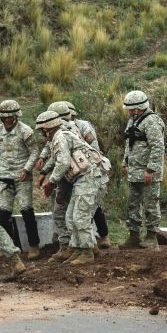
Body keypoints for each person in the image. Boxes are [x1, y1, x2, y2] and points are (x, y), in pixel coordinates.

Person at [36, 110, 102, 265]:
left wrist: (51, 182)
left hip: (87, 178)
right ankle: (78, 250)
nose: (42, 134)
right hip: (81, 180)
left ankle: (87, 252)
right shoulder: (60, 136)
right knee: (70, 216)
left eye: (42, 130)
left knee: (80, 216)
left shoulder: (60, 137)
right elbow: (58, 160)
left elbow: (63, 163)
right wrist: (45, 172)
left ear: (47, 129)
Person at [0, 100, 41, 260]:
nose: (7, 120)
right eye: (4, 117)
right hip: (4, 177)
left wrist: (27, 169)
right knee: (3, 213)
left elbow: (34, 152)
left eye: (10, 117)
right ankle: (8, 247)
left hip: (22, 177)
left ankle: (34, 246)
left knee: (26, 210)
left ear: (16, 116)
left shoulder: (26, 131)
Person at [121, 90, 165, 250]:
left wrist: (151, 169)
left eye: (131, 109)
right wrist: (125, 162)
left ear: (138, 108)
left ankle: (151, 237)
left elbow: (158, 146)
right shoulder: (133, 121)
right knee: (132, 204)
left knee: (150, 204)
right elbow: (129, 143)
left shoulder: (152, 121)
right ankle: (134, 236)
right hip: (134, 171)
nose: (129, 112)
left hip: (147, 172)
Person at [66, 102, 112, 249]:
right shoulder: (63, 130)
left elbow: (94, 147)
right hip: (75, 171)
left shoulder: (84, 126)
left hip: (89, 169)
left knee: (91, 208)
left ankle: (101, 237)